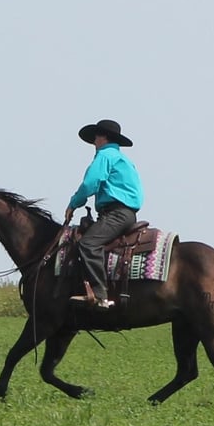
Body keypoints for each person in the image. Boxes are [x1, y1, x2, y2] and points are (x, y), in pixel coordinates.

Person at [65, 119, 144, 309]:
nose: (93, 142)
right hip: (126, 213)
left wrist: (73, 204)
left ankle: (99, 294)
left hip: (116, 213)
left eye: (95, 138)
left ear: (103, 137)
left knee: (88, 244)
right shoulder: (123, 160)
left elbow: (90, 184)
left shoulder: (105, 156)